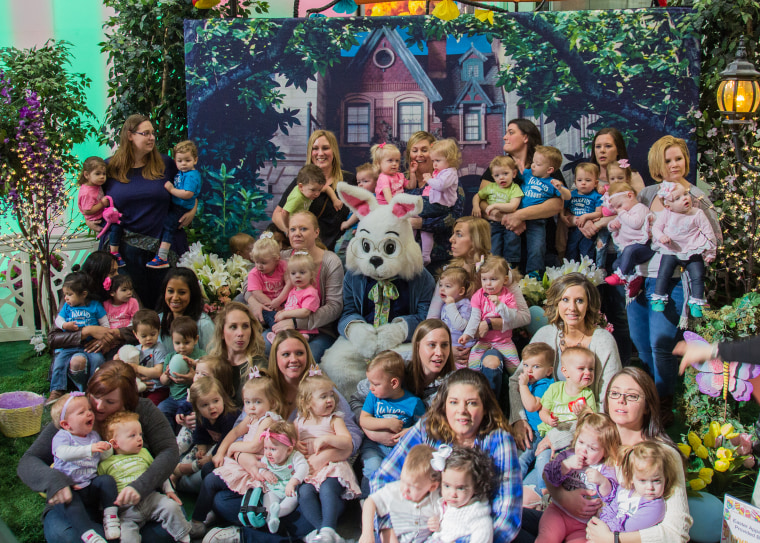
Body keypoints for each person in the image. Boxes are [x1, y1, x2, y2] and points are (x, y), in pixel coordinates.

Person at [201, 331, 362, 543]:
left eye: (299, 353)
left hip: (310, 477)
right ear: (276, 358)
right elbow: (242, 432)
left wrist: (324, 456)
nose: (293, 359)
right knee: (222, 499)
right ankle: (295, 537)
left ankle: (247, 535)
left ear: (308, 355)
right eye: (286, 354)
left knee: (319, 508)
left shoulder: (321, 389)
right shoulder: (263, 389)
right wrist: (245, 459)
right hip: (272, 474)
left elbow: (354, 435)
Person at [517, 367, 692, 542]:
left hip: (602, 534)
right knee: (507, 517)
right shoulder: (599, 436)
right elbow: (552, 470)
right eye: (614, 393)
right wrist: (563, 497)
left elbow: (677, 533)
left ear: (647, 406)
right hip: (565, 516)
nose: (621, 400)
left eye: (632, 396)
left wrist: (615, 538)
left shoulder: (661, 454)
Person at [18, 361, 180, 542]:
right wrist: (54, 481)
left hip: (132, 506)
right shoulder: (74, 411)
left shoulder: (145, 410)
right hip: (78, 505)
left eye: (110, 402)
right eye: (94, 396)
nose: (98, 406)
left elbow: (169, 450)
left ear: (127, 403)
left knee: (170, 527)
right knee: (68, 536)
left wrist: (140, 486)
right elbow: (29, 461)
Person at [626, 135, 721, 419]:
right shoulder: (646, 194)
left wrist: (690, 254)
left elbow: (713, 235)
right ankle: (647, 402)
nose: (674, 164)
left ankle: (664, 406)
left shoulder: (697, 196)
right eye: (667, 160)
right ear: (658, 164)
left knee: (661, 344)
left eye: (678, 158)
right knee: (641, 345)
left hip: (673, 280)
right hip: (640, 279)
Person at [371, 369, 522, 543]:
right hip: (413, 528)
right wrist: (389, 532)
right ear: (444, 405)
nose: (462, 411)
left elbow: (507, 520)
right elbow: (383, 479)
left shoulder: (498, 440)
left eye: (471, 403)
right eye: (454, 402)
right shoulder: (427, 428)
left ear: (485, 407)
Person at [508, 273, 622, 453]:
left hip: (585, 432)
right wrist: (518, 420)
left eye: (579, 301)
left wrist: (562, 436)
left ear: (589, 305)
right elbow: (517, 380)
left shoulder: (602, 341)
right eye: (565, 299)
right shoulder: (545, 334)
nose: (572, 308)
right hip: (540, 427)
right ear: (557, 303)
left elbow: (608, 399)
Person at [102, 114, 194, 306]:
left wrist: (194, 207)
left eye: (153, 133)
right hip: (124, 254)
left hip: (162, 251)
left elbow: (190, 189)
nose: (152, 137)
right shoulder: (109, 167)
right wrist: (89, 218)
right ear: (129, 135)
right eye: (146, 133)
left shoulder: (166, 164)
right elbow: (92, 198)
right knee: (131, 311)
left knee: (165, 308)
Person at [191, 368, 285, 537]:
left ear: (272, 402)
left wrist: (233, 448)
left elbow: (256, 446)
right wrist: (220, 452)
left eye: (257, 402)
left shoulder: (269, 419)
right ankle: (211, 511)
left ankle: (197, 520)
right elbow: (234, 433)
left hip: (258, 466)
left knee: (211, 481)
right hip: (243, 462)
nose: (252, 407)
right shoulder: (251, 417)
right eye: (248, 402)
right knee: (211, 468)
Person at [427, 217, 531, 368]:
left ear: (476, 240)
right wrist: (445, 347)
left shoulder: (499, 271)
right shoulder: (450, 274)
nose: (451, 239)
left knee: (491, 363)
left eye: (459, 234)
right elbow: (431, 319)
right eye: (453, 234)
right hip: (454, 344)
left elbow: (525, 317)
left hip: (491, 342)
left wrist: (489, 324)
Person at [248, 211, 344, 362]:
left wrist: (295, 322)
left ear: (316, 232)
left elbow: (334, 306)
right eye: (293, 229)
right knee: (260, 347)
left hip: (317, 329)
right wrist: (253, 301)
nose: (297, 234)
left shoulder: (331, 262)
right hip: (280, 325)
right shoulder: (282, 257)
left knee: (303, 357)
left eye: (303, 229)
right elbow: (251, 284)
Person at [478, 119, 565, 271]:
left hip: (542, 248)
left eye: (510, 132)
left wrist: (519, 216)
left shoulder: (545, 167)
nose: (505, 137)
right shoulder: (499, 166)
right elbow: (482, 203)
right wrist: (507, 219)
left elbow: (557, 204)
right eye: (506, 133)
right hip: (504, 247)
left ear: (526, 138)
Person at [98, 411, 191, 542]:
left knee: (171, 507)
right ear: (115, 443)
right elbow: (103, 489)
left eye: (140, 434)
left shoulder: (143, 453)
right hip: (126, 510)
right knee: (126, 536)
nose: (139, 438)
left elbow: (158, 472)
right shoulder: (106, 464)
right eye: (132, 435)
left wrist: (168, 490)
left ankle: (183, 535)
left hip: (150, 498)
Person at [295, 370, 361, 543]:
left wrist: (327, 439)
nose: (330, 400)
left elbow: (347, 442)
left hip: (333, 467)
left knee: (327, 489)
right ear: (307, 402)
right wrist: (295, 445)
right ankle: (324, 533)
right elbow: (291, 443)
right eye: (323, 397)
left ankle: (328, 529)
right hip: (311, 472)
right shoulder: (299, 422)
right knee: (304, 492)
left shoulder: (334, 420)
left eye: (331, 395)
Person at [525, 346, 599, 495]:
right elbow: (543, 411)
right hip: (548, 435)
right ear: (565, 372)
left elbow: (592, 422)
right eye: (581, 369)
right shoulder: (555, 389)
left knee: (567, 465)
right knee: (542, 459)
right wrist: (549, 419)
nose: (588, 373)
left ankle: (556, 492)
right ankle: (545, 490)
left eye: (591, 369)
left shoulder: (587, 395)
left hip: (570, 442)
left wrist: (584, 414)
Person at [537, 411, 620, 543]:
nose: (583, 450)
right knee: (547, 538)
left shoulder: (604, 468)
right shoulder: (568, 456)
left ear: (605, 451)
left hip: (584, 524)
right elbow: (548, 474)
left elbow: (611, 496)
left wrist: (603, 482)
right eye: (581, 442)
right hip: (558, 512)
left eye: (592, 448)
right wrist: (565, 466)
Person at [49, 392, 120, 543]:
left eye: (89, 409)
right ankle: (88, 534)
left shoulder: (93, 436)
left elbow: (103, 458)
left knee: (107, 480)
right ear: (66, 424)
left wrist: (107, 448)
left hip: (89, 485)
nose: (89, 413)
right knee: (69, 503)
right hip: (70, 489)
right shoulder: (63, 436)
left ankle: (111, 517)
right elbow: (63, 454)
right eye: (81, 412)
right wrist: (90, 449)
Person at [272, 130, 355, 251]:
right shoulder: (301, 182)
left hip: (335, 250)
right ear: (310, 152)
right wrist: (290, 231)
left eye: (325, 148)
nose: (320, 153)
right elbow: (277, 214)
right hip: (303, 249)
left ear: (334, 151)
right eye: (315, 148)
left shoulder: (350, 180)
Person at [358, 351, 426, 494]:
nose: (371, 387)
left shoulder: (413, 403)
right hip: (375, 446)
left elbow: (423, 426)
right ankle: (367, 499)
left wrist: (408, 432)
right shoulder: (373, 397)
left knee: (403, 473)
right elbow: (364, 420)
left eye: (375, 384)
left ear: (394, 383)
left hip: (400, 449)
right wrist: (387, 424)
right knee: (373, 467)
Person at [650, 182, 717, 318]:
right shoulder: (667, 214)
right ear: (668, 206)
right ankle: (659, 298)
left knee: (698, 275)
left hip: (692, 249)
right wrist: (661, 236)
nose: (685, 198)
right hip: (672, 250)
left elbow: (709, 233)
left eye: (685, 194)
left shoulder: (697, 213)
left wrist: (710, 252)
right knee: (663, 273)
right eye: (678, 198)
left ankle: (697, 303)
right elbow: (656, 228)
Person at [460, 256, 521, 396]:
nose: (488, 283)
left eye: (493, 279)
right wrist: (467, 334)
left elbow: (511, 318)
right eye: (484, 279)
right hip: (483, 341)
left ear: (504, 280)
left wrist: (500, 305)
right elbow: (474, 319)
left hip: (504, 341)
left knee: (516, 368)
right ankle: (475, 394)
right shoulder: (478, 296)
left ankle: (517, 395)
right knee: (473, 366)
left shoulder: (508, 296)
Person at [359, 444, 441, 543]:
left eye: (413, 487)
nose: (406, 489)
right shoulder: (395, 491)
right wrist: (367, 533)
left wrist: (437, 523)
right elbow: (370, 502)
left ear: (432, 487)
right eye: (403, 481)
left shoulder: (436, 499)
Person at [597, 441, 680, 533]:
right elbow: (611, 509)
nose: (650, 487)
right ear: (631, 477)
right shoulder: (625, 491)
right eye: (643, 481)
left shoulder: (654, 507)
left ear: (665, 478)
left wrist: (603, 532)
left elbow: (627, 528)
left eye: (656, 481)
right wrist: (601, 524)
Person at [147, 140, 202, 269]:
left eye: (187, 160)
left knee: (169, 226)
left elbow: (188, 193)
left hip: (181, 207)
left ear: (195, 160)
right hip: (177, 205)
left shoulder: (191, 176)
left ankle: (162, 256)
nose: (183, 164)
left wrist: (171, 190)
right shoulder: (183, 173)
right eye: (180, 161)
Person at [52, 272, 110, 393]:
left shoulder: (95, 306)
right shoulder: (67, 307)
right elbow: (58, 320)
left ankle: (92, 389)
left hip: (90, 346)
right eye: (65, 294)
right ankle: (57, 390)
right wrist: (65, 325)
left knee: (98, 362)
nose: (65, 298)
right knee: (59, 362)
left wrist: (101, 339)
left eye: (69, 294)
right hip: (70, 346)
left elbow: (105, 325)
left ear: (84, 294)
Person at [427, 445, 496, 543]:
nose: (452, 494)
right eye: (447, 486)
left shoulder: (475, 513)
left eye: (460, 488)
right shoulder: (446, 503)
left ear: (476, 487)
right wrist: (436, 524)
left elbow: (484, 531)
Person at [206, 302, 267, 404]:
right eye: (233, 327)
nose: (240, 333)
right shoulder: (211, 364)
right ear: (222, 332)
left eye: (245, 326)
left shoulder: (260, 365)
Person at [257, 421, 309, 533]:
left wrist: (293, 482)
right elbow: (260, 467)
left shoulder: (295, 456)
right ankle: (271, 519)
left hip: (289, 488)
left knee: (291, 501)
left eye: (273, 449)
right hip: (273, 488)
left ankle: (277, 513)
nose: (268, 453)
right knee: (267, 505)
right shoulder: (266, 459)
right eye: (266, 448)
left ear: (289, 450)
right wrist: (265, 473)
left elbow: (303, 468)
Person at [472, 156, 523, 269]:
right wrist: (476, 206)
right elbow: (477, 196)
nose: (501, 178)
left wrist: (494, 206)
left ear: (514, 174)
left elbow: (513, 206)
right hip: (493, 223)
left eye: (505, 173)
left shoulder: (515, 188)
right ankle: (493, 266)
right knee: (493, 247)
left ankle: (510, 267)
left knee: (512, 244)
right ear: (493, 177)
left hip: (509, 224)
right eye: (497, 175)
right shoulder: (491, 187)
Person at [418, 138, 461, 265]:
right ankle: (425, 255)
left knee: (412, 214)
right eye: (433, 161)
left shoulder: (450, 173)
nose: (434, 164)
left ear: (450, 159)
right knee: (425, 230)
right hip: (436, 205)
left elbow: (440, 186)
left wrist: (429, 179)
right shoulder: (442, 172)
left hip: (440, 206)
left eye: (437, 161)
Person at [603, 183, 655, 289]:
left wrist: (621, 213)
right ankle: (633, 278)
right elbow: (615, 222)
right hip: (631, 249)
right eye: (616, 208)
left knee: (629, 250)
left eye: (620, 205)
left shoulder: (640, 208)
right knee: (616, 264)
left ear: (630, 196)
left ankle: (621, 276)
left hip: (644, 246)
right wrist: (612, 225)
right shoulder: (625, 212)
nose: (618, 210)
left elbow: (635, 223)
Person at [516, 342, 555, 478]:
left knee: (522, 457)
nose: (529, 370)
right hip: (531, 429)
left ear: (548, 371)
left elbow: (532, 406)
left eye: (536, 366)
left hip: (539, 432)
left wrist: (523, 386)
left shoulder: (544, 384)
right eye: (526, 365)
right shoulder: (534, 383)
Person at [157, 267, 215, 357]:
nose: (175, 297)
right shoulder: (158, 321)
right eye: (170, 291)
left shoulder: (204, 324)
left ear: (192, 294)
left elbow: (214, 360)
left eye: (182, 292)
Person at [158, 316, 205, 427]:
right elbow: (163, 381)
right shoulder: (170, 357)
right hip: (173, 398)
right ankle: (170, 437)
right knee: (161, 409)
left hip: (190, 398)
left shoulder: (201, 356)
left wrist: (194, 372)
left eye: (186, 342)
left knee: (188, 415)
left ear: (196, 340)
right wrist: (166, 375)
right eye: (177, 343)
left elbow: (207, 379)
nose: (182, 347)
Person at [78, 157, 122, 264]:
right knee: (116, 227)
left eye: (104, 174)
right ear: (86, 175)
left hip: (102, 215)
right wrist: (102, 204)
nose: (102, 177)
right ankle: (114, 252)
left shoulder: (95, 186)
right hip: (97, 219)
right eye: (97, 174)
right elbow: (87, 210)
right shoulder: (87, 192)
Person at [268, 251, 320, 342]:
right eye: (293, 273)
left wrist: (285, 314)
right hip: (291, 327)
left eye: (302, 272)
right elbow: (291, 307)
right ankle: (281, 337)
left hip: (305, 329)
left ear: (311, 274)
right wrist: (282, 311)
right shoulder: (294, 290)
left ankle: (296, 339)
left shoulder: (310, 292)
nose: (297, 276)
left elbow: (305, 312)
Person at [247, 233, 291, 329]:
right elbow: (257, 294)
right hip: (266, 305)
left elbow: (289, 283)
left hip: (283, 303)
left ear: (276, 260)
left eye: (264, 263)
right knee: (270, 315)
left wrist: (279, 301)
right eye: (256, 262)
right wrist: (274, 306)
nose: (259, 266)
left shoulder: (282, 266)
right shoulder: (254, 274)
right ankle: (278, 330)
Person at [563, 163, 603, 263]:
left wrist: (586, 216)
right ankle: (571, 272)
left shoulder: (596, 196)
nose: (583, 183)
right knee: (571, 250)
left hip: (588, 231)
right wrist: (562, 216)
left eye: (588, 180)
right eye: (579, 180)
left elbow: (599, 213)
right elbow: (563, 208)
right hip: (573, 229)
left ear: (595, 183)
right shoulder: (571, 195)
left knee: (586, 252)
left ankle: (587, 273)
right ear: (575, 182)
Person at [271, 164, 328, 234]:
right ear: (300, 187)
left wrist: (335, 200)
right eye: (313, 190)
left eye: (319, 190)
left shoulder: (308, 188)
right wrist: (287, 227)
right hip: (294, 224)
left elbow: (327, 188)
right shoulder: (297, 198)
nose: (317, 194)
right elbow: (284, 212)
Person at [433, 267, 475, 357]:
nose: (442, 289)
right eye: (441, 285)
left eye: (447, 286)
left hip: (463, 347)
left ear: (461, 291)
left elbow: (460, 326)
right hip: (450, 345)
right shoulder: (446, 304)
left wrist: (451, 306)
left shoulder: (465, 305)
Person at [589, 128, 645, 194]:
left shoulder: (632, 176)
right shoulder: (585, 176)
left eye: (608, 146)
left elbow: (641, 202)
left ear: (618, 150)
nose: (602, 150)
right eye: (598, 146)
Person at [130, 309, 168, 404]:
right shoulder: (136, 349)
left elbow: (158, 372)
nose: (149, 338)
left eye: (152, 334)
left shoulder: (158, 348)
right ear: (135, 334)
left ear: (159, 330)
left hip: (158, 389)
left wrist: (137, 368)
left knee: (148, 405)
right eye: (143, 336)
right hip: (141, 388)